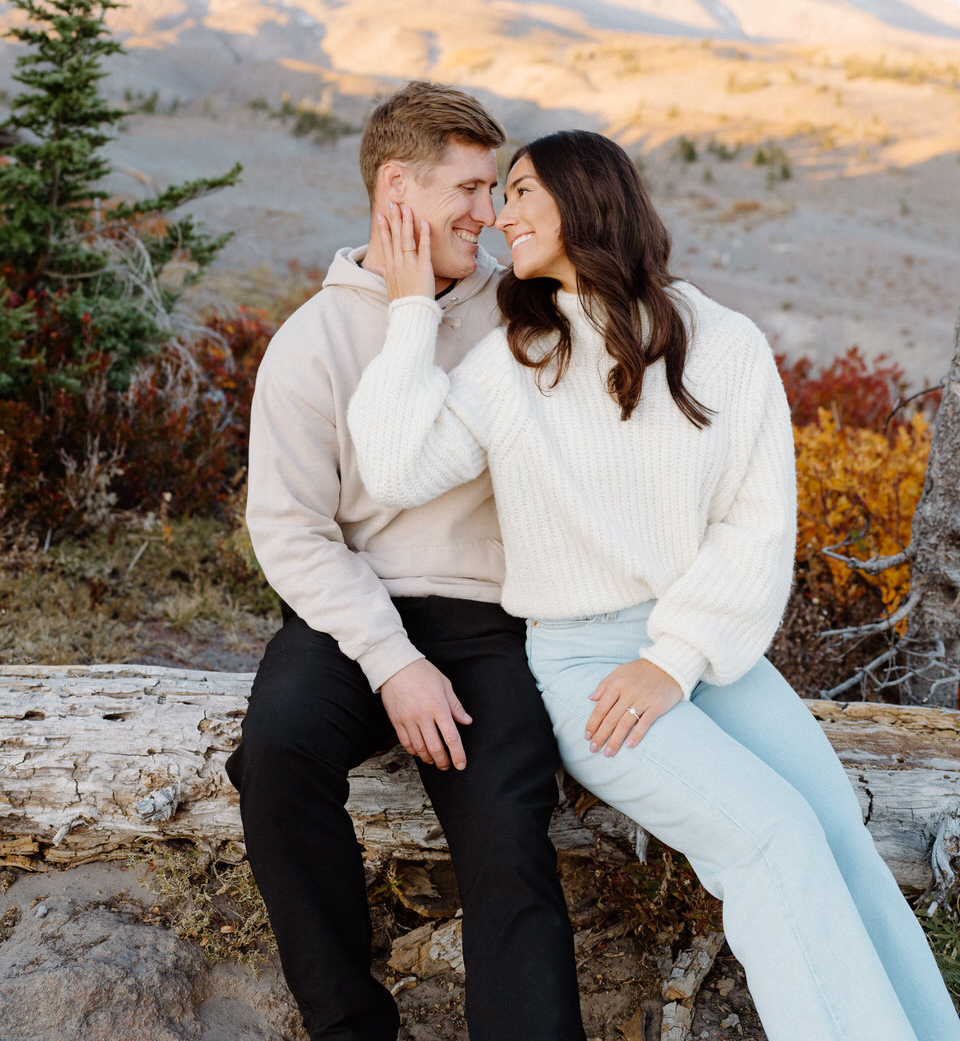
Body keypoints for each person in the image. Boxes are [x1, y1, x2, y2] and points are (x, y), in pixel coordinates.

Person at [348, 129, 960, 1041]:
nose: (499, 217)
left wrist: (673, 660)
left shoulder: (725, 342)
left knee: (834, 826)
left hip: (703, 651)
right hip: (587, 665)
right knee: (768, 837)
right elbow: (393, 467)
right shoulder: (519, 359)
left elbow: (756, 527)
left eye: (520, 193)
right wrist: (407, 313)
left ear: (586, 203)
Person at [226, 84, 586, 1041]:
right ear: (397, 188)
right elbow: (293, 531)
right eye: (468, 188)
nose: (491, 215)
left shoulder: (526, 321)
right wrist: (392, 662)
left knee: (510, 844)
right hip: (351, 620)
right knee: (277, 756)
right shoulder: (314, 339)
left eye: (495, 189)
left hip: (492, 625)